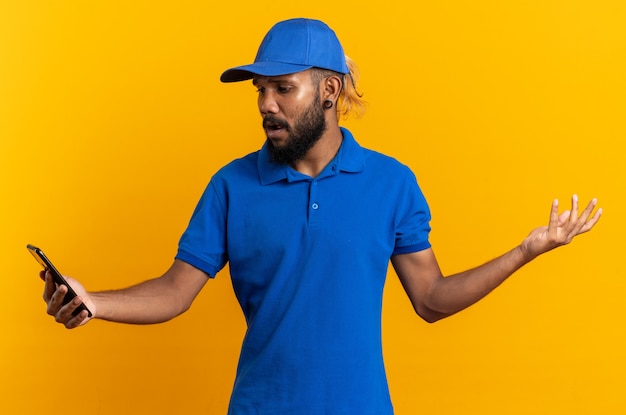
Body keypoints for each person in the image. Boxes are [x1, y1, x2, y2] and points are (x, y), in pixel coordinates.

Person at [42, 18, 602, 415]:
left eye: (283, 89)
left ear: (329, 90)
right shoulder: (232, 185)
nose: (266, 104)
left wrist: (526, 251)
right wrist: (94, 302)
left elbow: (431, 300)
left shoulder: (391, 183)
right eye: (261, 91)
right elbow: (174, 290)